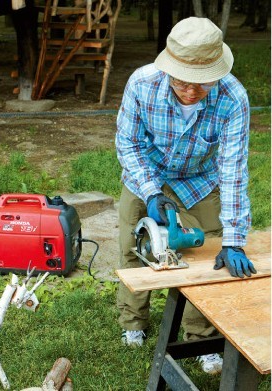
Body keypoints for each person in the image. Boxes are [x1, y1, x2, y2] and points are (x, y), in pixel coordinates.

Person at [115, 17, 257, 375]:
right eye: (182, 82)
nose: (191, 91)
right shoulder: (142, 83)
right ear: (168, 68)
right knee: (134, 247)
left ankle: (200, 339)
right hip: (146, 173)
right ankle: (133, 324)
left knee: (211, 252)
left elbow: (233, 169)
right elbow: (128, 144)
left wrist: (235, 239)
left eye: (202, 84)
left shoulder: (233, 98)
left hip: (199, 179)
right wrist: (150, 192)